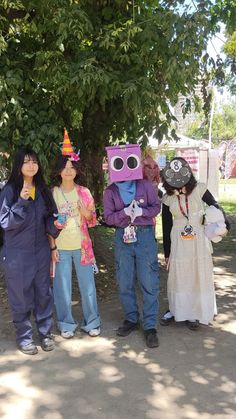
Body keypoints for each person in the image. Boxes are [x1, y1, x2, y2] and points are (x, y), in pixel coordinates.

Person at [0, 147, 60, 355]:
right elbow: (5, 223)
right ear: (18, 166)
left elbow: (50, 218)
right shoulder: (9, 190)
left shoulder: (43, 190)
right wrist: (22, 202)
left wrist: (57, 225)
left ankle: (45, 334)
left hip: (40, 251)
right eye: (26, 161)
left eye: (34, 161)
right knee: (21, 295)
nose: (31, 165)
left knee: (43, 292)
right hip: (17, 253)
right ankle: (24, 337)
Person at [160, 157, 230, 330]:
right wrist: (167, 252)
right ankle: (176, 309)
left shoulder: (199, 188)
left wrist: (221, 222)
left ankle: (194, 312)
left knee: (196, 273)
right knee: (179, 275)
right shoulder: (168, 197)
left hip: (198, 237)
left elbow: (214, 204)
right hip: (178, 239)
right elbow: (166, 225)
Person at [103, 144, 161, 348]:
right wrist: (125, 213)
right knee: (125, 279)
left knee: (148, 280)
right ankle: (131, 318)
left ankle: (150, 325)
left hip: (144, 237)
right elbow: (108, 218)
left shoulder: (144, 185)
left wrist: (141, 212)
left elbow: (156, 207)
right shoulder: (110, 191)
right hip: (123, 238)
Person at [50, 154, 101, 339]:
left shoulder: (84, 192)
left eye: (72, 167)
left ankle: (93, 322)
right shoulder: (52, 193)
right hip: (60, 247)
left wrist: (86, 212)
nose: (69, 170)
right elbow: (46, 222)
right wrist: (52, 247)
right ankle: (66, 324)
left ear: (76, 170)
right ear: (59, 171)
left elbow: (93, 220)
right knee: (62, 288)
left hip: (83, 247)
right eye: (65, 167)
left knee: (88, 287)